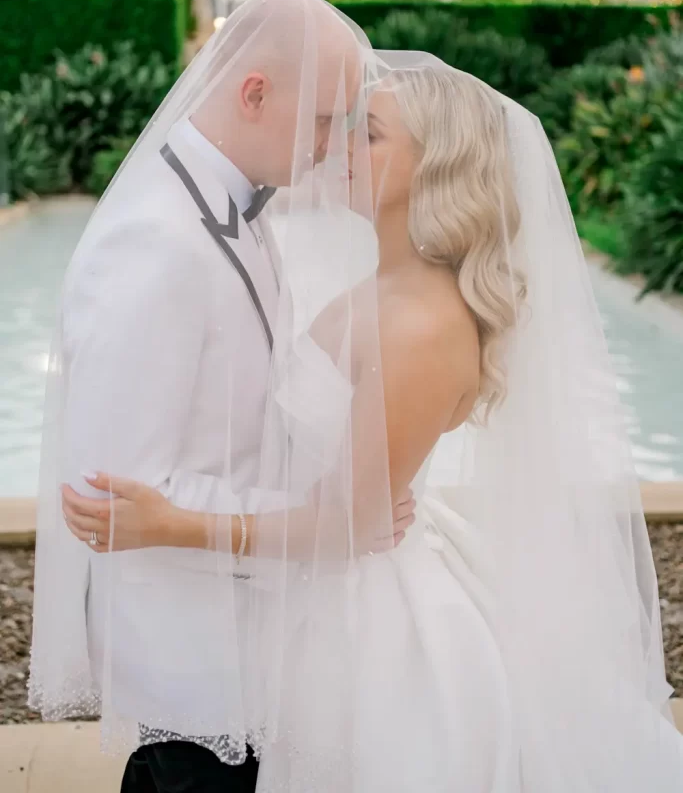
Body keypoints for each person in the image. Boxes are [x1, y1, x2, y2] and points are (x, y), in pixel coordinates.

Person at [63, 53, 683, 791]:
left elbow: (346, 524)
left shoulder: (423, 326)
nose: (338, 146)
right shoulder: (385, 280)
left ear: (435, 166)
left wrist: (171, 524)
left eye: (371, 135)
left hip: (368, 623)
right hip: (308, 590)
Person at [29, 0, 415, 793]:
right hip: (191, 651)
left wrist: (347, 483)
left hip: (243, 639)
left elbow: (253, 399)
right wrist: (324, 524)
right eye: (321, 118)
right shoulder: (154, 242)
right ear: (254, 93)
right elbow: (118, 497)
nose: (330, 145)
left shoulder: (228, 206)